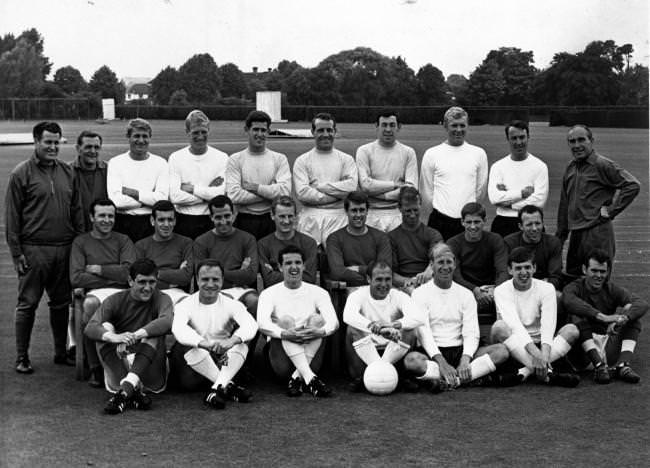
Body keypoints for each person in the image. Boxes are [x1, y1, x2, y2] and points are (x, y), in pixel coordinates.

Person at [6, 121, 84, 374]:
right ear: (36, 142)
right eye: (47, 142)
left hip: (64, 248)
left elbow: (78, 212)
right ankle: (22, 356)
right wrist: (17, 252)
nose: (52, 147)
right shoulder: (21, 173)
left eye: (56, 142)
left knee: (61, 303)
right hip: (34, 250)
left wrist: (81, 247)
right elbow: (12, 217)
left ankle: (60, 353)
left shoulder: (68, 172)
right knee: (28, 303)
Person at [406, 244, 515, 390]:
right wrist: (442, 363)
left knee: (501, 351)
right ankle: (466, 378)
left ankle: (451, 381)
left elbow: (471, 332)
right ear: (432, 265)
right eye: (440, 262)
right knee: (411, 361)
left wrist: (465, 359)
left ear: (455, 264)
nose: (445, 267)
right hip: (432, 352)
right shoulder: (419, 294)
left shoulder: (466, 294)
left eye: (449, 262)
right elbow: (423, 333)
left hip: (461, 349)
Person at [84, 258, 173, 414]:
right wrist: (115, 337)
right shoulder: (116, 300)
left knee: (154, 332)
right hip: (120, 368)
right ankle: (130, 390)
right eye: (142, 282)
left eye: (151, 282)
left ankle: (126, 390)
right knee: (104, 329)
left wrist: (135, 335)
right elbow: (90, 328)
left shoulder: (162, 298)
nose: (147, 288)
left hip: (151, 373)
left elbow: (167, 321)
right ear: (130, 281)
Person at [170, 259, 258, 409]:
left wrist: (232, 341)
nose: (210, 284)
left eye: (215, 279)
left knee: (242, 342)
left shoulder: (232, 304)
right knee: (185, 344)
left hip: (222, 360)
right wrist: (205, 344)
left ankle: (217, 389)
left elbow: (251, 325)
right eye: (205, 279)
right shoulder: (184, 305)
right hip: (194, 364)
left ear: (222, 280)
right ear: (197, 280)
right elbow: (178, 330)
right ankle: (227, 386)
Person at [557, 124, 640, 277]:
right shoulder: (570, 168)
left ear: (591, 141)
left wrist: (611, 210)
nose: (577, 145)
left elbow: (632, 185)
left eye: (581, 140)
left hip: (597, 233)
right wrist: (560, 237)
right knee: (572, 280)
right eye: (572, 141)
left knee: (597, 281)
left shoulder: (602, 164)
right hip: (576, 234)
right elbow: (564, 204)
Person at [490, 247, 580, 387]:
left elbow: (548, 325)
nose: (523, 272)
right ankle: (548, 374)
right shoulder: (501, 290)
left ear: (534, 268)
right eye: (518, 268)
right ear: (510, 270)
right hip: (514, 343)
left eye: (527, 267)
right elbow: (515, 326)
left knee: (572, 330)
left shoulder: (547, 288)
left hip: (541, 344)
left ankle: (525, 371)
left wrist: (543, 355)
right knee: (499, 327)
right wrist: (536, 355)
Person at [70, 198, 136, 387]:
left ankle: (127, 365)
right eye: (102, 216)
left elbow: (128, 273)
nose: (107, 220)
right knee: (90, 305)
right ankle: (95, 368)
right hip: (95, 293)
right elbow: (76, 278)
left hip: (123, 292)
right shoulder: (80, 242)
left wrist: (98, 269)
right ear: (92, 217)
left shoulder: (123, 240)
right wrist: (113, 275)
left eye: (110, 216)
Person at [257, 245, 339, 397]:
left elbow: (333, 322)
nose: (293, 267)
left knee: (318, 320)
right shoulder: (268, 293)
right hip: (281, 356)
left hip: (310, 348)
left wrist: (319, 331)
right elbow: (262, 323)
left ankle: (300, 378)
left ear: (304, 266)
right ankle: (309, 379)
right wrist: (285, 334)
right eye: (288, 263)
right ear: (280, 267)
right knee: (286, 321)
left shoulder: (318, 292)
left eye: (297, 263)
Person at [562, 249, 648, 384]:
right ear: (584, 269)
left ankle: (623, 365)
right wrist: (603, 317)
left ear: (607, 272)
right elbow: (568, 300)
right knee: (576, 315)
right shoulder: (574, 287)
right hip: (583, 352)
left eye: (602, 272)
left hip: (606, 346)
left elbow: (641, 303)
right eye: (594, 271)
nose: (598, 275)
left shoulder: (611, 288)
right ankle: (599, 366)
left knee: (632, 316)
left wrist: (623, 319)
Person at [343, 261, 423, 392]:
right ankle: (369, 376)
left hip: (393, 352)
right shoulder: (357, 295)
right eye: (379, 279)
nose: (384, 284)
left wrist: (393, 325)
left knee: (410, 329)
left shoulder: (399, 295)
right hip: (365, 353)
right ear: (369, 279)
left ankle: (386, 372)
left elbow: (418, 317)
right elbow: (348, 316)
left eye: (388, 279)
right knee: (352, 328)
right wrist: (374, 327)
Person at [419, 106, 488, 240]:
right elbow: (426, 191)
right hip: (439, 221)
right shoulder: (432, 154)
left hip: (469, 223)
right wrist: (440, 212)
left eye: (462, 125)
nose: (458, 130)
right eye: (454, 125)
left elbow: (480, 191)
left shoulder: (478, 154)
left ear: (467, 126)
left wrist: (469, 215)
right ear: (445, 126)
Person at [293, 112, 358, 246]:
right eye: (321, 130)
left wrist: (319, 187)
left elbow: (351, 188)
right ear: (312, 132)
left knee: (336, 261)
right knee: (310, 262)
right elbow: (302, 193)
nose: (325, 134)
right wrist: (338, 195)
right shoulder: (302, 161)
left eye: (329, 130)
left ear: (335, 131)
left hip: (339, 217)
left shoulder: (346, 159)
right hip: (310, 218)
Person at [226, 110, 291, 240]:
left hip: (271, 220)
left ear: (268, 131)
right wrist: (270, 194)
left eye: (263, 130)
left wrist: (256, 188)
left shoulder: (279, 159)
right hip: (244, 220)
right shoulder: (235, 159)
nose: (260, 134)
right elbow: (234, 195)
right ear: (247, 129)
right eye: (256, 129)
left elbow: (285, 193)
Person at [447, 202, 508, 334]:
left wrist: (496, 290)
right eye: (468, 222)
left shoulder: (495, 240)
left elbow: (503, 270)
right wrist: (474, 290)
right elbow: (455, 275)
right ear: (462, 222)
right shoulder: (453, 243)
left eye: (477, 222)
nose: (473, 226)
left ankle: (503, 337)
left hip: (491, 289)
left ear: (485, 221)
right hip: (465, 290)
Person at [168, 110, 230, 240]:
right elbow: (175, 196)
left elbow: (221, 194)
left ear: (209, 130)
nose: (200, 136)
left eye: (204, 132)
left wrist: (193, 189)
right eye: (196, 132)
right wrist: (208, 195)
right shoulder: (175, 158)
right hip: (183, 221)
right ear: (187, 132)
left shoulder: (222, 158)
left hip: (211, 221)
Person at [107, 118, 169, 242]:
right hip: (123, 223)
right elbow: (117, 201)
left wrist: (134, 193)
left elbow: (162, 199)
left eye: (145, 136)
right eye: (136, 136)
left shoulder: (161, 163)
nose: (141, 140)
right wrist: (148, 200)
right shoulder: (115, 162)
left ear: (150, 138)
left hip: (150, 224)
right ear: (128, 137)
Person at [193, 195, 259, 309]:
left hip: (241, 290)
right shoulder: (201, 242)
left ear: (234, 215)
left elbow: (251, 275)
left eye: (227, 216)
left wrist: (217, 273)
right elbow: (202, 275)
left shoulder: (248, 239)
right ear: (211, 217)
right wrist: (239, 273)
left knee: (254, 301)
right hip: (213, 289)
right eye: (218, 217)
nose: (223, 221)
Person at [356, 111, 418, 232]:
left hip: (398, 214)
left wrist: (380, 195)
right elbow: (365, 186)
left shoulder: (408, 152)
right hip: (371, 214)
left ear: (398, 127)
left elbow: (410, 190)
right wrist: (394, 185)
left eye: (392, 125)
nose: (388, 129)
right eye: (384, 125)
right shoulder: (364, 151)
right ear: (376, 126)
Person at [487, 120, 549, 238]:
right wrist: (522, 194)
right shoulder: (497, 167)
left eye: (522, 137)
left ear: (528, 137)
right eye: (514, 138)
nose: (518, 142)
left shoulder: (540, 166)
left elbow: (539, 201)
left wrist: (509, 204)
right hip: (503, 223)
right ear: (508, 139)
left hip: (531, 224)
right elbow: (495, 198)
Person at [326, 191, 392, 287]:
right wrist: (369, 278)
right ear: (346, 211)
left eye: (362, 210)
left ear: (367, 211)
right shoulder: (334, 238)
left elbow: (385, 269)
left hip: (378, 289)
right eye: (354, 210)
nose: (358, 215)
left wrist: (359, 269)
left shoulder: (381, 237)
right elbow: (337, 272)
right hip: (349, 289)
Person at [135, 200, 193, 305]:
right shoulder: (141, 246)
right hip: (149, 293)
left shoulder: (186, 243)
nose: (166, 224)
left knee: (189, 304)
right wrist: (170, 282)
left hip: (177, 294)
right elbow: (139, 279)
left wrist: (156, 273)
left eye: (170, 220)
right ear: (153, 221)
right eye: (161, 220)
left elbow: (186, 277)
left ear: (175, 221)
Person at [388, 187, 442, 294]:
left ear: (420, 205)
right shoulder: (390, 237)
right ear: (399, 208)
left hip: (429, 282)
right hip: (402, 285)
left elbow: (438, 260)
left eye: (415, 210)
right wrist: (409, 282)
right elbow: (389, 273)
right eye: (408, 211)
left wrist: (427, 273)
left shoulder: (433, 234)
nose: (412, 215)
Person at [258, 196, 317, 288]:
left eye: (290, 216)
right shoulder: (263, 244)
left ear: (296, 216)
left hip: (303, 294)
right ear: (272, 216)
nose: (286, 221)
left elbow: (309, 278)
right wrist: (297, 273)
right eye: (282, 216)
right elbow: (268, 279)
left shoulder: (309, 243)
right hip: (274, 295)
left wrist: (276, 273)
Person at [503, 205, 563, 292]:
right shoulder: (509, 243)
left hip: (543, 289)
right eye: (529, 224)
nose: (534, 228)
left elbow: (556, 277)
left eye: (538, 223)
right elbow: (506, 274)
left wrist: (537, 287)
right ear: (520, 226)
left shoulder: (553, 243)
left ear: (543, 223)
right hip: (516, 288)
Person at [70, 130, 108, 232]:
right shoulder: (67, 172)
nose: (93, 151)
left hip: (104, 234)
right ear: (78, 149)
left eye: (96, 147)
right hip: (76, 234)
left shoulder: (110, 171)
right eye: (88, 147)